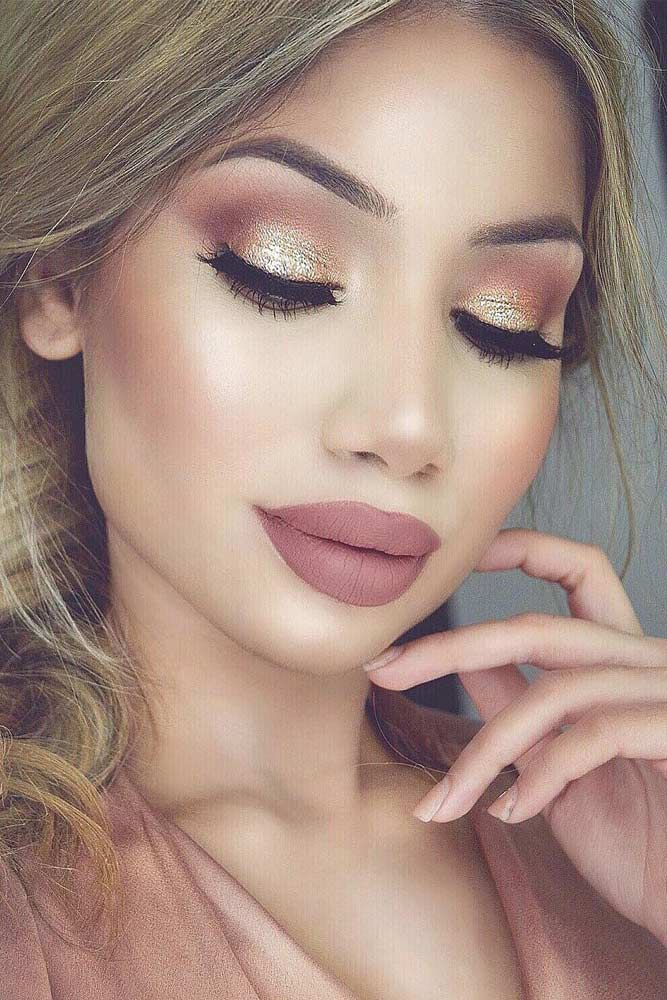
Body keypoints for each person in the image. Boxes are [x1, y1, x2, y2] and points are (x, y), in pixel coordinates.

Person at [1, 1, 666, 997]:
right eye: (285, 272)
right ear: (58, 278)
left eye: (502, 322)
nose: (407, 426)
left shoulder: (621, 849)